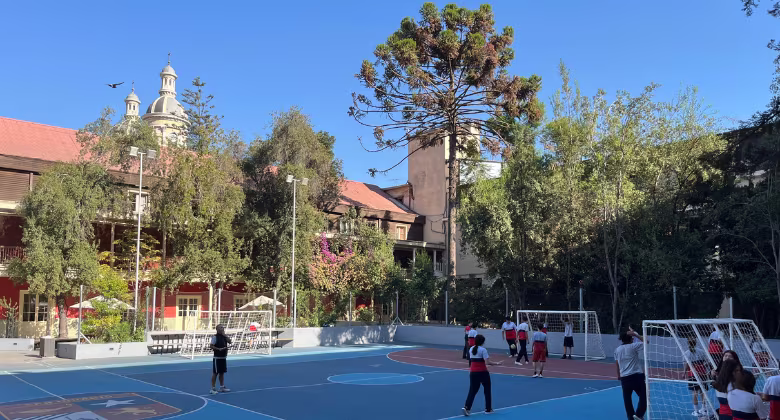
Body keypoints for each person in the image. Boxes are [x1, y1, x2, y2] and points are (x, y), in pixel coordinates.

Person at [462, 334, 501, 417]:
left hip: (473, 372)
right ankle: (488, 409)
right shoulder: (483, 350)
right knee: (487, 390)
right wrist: (497, 363)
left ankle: (467, 407)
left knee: (472, 391)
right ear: (483, 342)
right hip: (483, 372)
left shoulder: (471, 349)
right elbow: (487, 362)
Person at [615, 326, 646, 420]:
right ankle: (639, 414)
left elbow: (617, 363)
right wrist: (636, 334)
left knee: (627, 399)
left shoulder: (617, 350)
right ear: (631, 338)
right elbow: (646, 341)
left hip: (625, 377)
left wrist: (618, 375)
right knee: (644, 396)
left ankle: (631, 417)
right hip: (637, 376)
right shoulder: (633, 346)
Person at [684, 338, 711, 417]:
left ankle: (696, 411)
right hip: (702, 373)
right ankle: (704, 409)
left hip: (693, 374)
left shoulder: (687, 353)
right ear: (696, 343)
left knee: (694, 392)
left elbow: (686, 364)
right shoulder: (701, 351)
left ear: (688, 343)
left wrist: (684, 372)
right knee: (703, 392)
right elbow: (707, 361)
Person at [714, 356, 743, 420]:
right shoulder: (733, 385)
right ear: (731, 372)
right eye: (737, 370)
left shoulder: (720, 384)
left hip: (723, 414)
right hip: (734, 415)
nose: (740, 372)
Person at [210, 324, 232, 394]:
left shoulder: (224, 337)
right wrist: (218, 349)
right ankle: (213, 388)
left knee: (222, 373)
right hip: (217, 357)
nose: (222, 328)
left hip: (223, 357)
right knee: (215, 373)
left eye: (223, 327)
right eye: (220, 327)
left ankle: (222, 387)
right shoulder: (215, 337)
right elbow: (211, 346)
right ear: (217, 329)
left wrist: (225, 335)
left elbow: (230, 341)